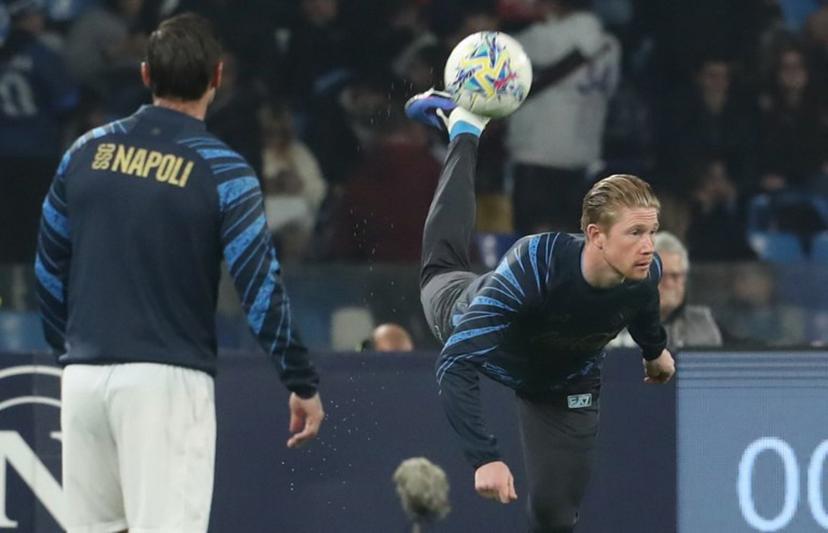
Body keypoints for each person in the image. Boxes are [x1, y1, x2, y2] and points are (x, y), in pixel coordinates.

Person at [34, 13, 324, 533]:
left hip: (82, 381)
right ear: (217, 77)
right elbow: (259, 290)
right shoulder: (224, 170)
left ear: (145, 74)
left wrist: (72, 355)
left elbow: (48, 269)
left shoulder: (83, 153)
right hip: (165, 385)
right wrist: (299, 378)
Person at [406, 89, 675, 532]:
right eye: (635, 233)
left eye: (653, 232)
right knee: (442, 264)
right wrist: (485, 458)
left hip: (563, 382)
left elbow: (644, 307)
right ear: (596, 235)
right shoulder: (536, 265)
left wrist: (654, 351)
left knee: (555, 516)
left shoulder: (646, 272)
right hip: (474, 324)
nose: (648, 246)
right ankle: (465, 130)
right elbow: (455, 363)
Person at [610, 231, 723, 350]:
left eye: (675, 276)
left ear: (684, 279)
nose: (668, 284)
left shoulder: (701, 325)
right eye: (662, 276)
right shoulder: (616, 321)